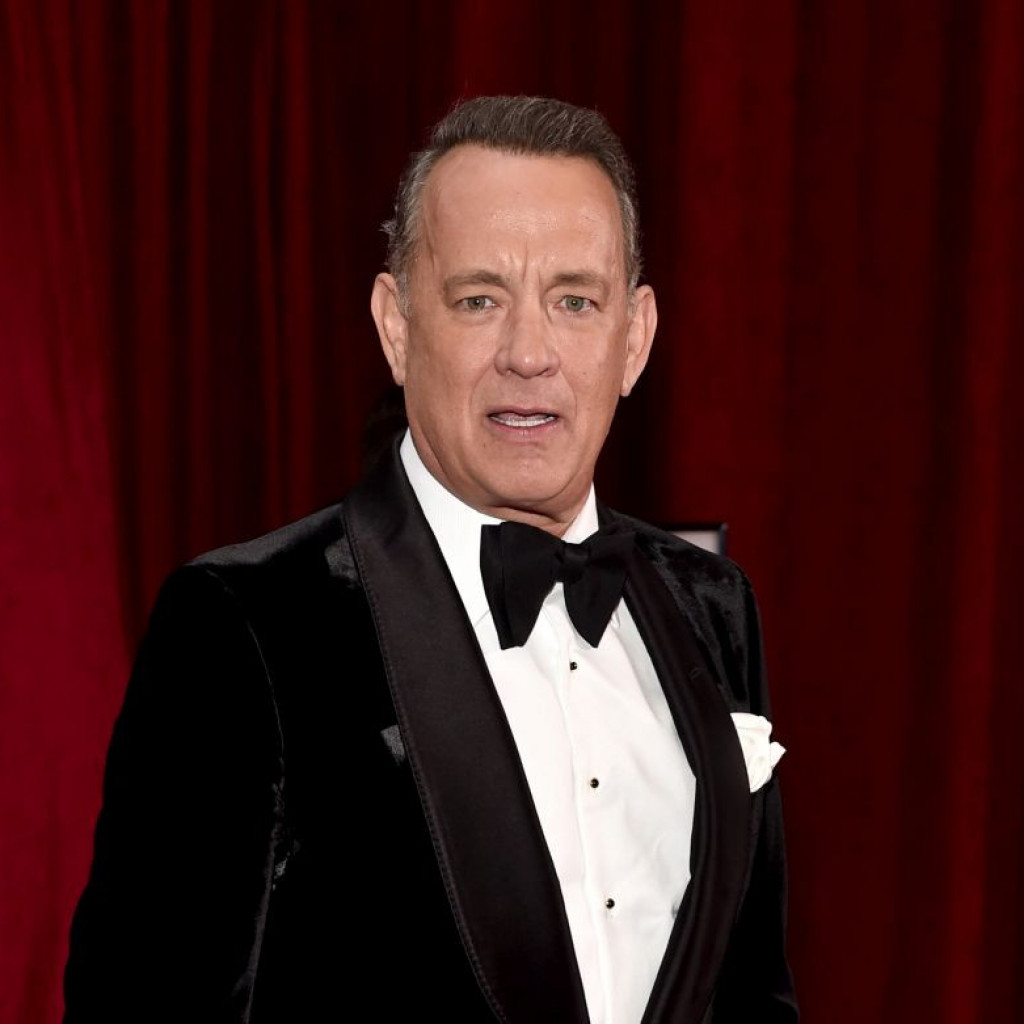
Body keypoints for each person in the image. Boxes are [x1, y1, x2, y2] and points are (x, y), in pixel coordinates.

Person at [64, 95, 797, 1023]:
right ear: (397, 327)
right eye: (479, 299)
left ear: (635, 338)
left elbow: (753, 991)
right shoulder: (245, 623)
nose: (528, 353)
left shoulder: (713, 606)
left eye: (575, 301)